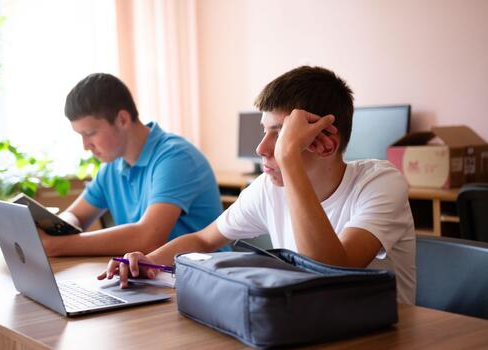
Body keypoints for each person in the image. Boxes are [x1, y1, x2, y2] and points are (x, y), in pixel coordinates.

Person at [99, 66, 416, 304]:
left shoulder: (380, 182)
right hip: (314, 326)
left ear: (326, 143)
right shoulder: (269, 188)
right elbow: (203, 240)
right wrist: (149, 261)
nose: (262, 148)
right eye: (264, 131)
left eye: (280, 134)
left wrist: (289, 159)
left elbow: (331, 271)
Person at [39, 73, 224, 257]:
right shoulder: (111, 167)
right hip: (151, 275)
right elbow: (76, 216)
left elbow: (148, 238)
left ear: (122, 120)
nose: (85, 146)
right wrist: (57, 226)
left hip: (203, 277)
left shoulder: (176, 157)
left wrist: (57, 245)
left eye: (90, 133)